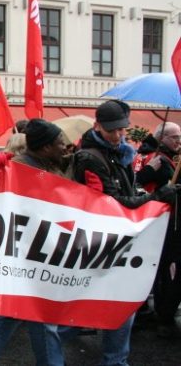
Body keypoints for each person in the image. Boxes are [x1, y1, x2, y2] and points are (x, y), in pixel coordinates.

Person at [68, 99, 177, 366]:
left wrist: (145, 192)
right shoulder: (90, 157)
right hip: (100, 238)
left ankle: (115, 361)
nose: (118, 134)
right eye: (113, 129)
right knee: (86, 304)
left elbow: (128, 191)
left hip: (119, 236)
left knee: (120, 303)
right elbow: (109, 202)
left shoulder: (121, 152)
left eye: (122, 129)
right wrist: (154, 197)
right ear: (98, 126)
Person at [0, 119, 68, 366]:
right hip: (24, 255)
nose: (65, 147)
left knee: (21, 314)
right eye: (60, 143)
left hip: (39, 252)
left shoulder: (47, 164)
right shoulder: (18, 168)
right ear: (45, 147)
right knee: (23, 314)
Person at [134, 122, 181, 338]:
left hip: (167, 220)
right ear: (162, 138)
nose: (178, 141)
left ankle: (160, 311)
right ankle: (162, 314)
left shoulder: (167, 158)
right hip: (164, 221)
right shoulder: (158, 160)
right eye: (174, 137)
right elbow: (139, 183)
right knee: (166, 269)